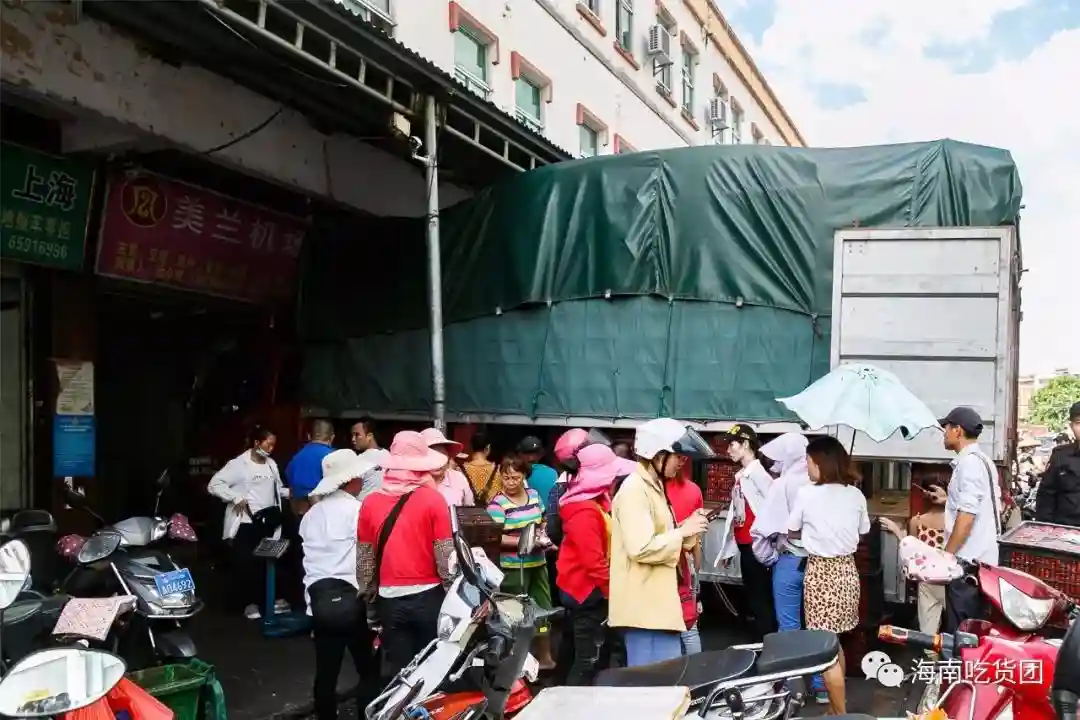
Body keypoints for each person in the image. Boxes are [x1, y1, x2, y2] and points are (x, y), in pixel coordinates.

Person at [609, 418, 711, 666]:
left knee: (666, 678)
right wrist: (682, 531)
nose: (682, 462)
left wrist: (688, 530)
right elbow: (641, 547)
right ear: (657, 455)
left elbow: (660, 535)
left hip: (658, 606)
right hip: (645, 609)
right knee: (652, 682)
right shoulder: (635, 490)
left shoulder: (653, 486)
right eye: (678, 456)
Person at [356, 431, 455, 681]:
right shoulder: (434, 500)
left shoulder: (370, 502)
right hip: (429, 598)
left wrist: (370, 605)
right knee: (430, 670)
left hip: (389, 600)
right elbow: (445, 558)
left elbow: (365, 561)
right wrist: (452, 594)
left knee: (399, 674)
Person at [787, 436, 869, 715]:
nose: (807, 467)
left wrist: (812, 532)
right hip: (847, 572)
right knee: (835, 644)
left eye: (809, 462)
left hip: (821, 572)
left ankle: (840, 714)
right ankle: (835, 710)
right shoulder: (855, 495)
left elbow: (792, 529)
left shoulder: (806, 494)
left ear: (821, 464)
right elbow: (863, 531)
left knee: (826, 649)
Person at [300, 450, 380, 720]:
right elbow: (367, 555)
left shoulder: (311, 515)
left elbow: (310, 561)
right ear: (350, 480)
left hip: (320, 602)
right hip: (352, 600)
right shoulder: (357, 511)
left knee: (326, 673)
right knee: (367, 669)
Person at [749, 432, 826, 703]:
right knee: (819, 626)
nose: (774, 465)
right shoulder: (826, 484)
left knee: (789, 628)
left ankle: (794, 689)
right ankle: (821, 686)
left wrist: (771, 558)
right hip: (821, 563)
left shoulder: (782, 485)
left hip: (789, 562)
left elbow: (761, 532)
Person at [556, 444, 635, 684]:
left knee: (583, 655)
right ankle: (568, 702)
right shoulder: (584, 511)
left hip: (584, 589)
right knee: (587, 661)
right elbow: (593, 562)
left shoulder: (592, 503)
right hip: (586, 592)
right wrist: (614, 594)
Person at [929, 406, 1004, 632]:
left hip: (967, 564)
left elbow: (967, 518)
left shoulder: (968, 464)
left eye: (946, 428)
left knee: (962, 634)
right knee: (973, 631)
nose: (944, 433)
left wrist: (947, 556)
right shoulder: (983, 460)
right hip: (982, 562)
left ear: (958, 430)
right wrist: (947, 500)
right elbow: (983, 504)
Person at [207, 426, 291, 620]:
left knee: (267, 563)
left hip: (268, 521)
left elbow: (277, 489)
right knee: (246, 565)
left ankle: (268, 600)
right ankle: (248, 605)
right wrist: (235, 497)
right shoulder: (238, 465)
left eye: (273, 445)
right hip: (246, 522)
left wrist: (292, 493)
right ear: (256, 443)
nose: (271, 449)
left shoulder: (271, 464)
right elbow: (214, 484)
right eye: (268, 444)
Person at [487, 455, 556, 670]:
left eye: (515, 478)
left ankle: (545, 658)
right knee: (516, 614)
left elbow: (543, 521)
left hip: (537, 564)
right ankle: (517, 664)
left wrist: (542, 537)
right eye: (506, 478)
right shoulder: (497, 504)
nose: (510, 482)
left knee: (542, 610)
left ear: (524, 476)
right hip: (512, 568)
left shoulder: (533, 495)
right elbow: (494, 537)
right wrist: (524, 542)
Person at [717, 424, 777, 639]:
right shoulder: (742, 475)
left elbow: (774, 506)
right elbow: (738, 516)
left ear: (745, 444)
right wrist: (729, 549)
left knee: (760, 600)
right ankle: (761, 643)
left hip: (756, 547)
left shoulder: (757, 473)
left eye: (732, 444)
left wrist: (770, 541)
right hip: (746, 546)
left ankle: (766, 644)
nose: (728, 450)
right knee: (754, 598)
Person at [664, 454, 705, 656]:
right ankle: (697, 671)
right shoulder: (694, 490)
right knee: (689, 626)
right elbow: (697, 540)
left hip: (665, 561)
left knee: (668, 629)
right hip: (687, 562)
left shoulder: (654, 491)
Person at [1035, 401, 1080, 527]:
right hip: (1064, 531)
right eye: (1079, 423)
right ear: (1071, 426)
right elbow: (1046, 497)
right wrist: (1046, 530)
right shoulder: (1060, 456)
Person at [285, 419, 336, 514]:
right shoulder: (334, 457)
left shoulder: (295, 458)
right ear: (332, 438)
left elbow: (291, 489)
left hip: (299, 512)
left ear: (309, 436)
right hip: (324, 513)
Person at [421, 428, 475, 508]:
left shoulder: (458, 478)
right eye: (431, 455)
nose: (437, 461)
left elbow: (470, 509)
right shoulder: (411, 482)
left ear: (448, 457)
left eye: (441, 455)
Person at [462, 428, 502, 504]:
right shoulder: (498, 470)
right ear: (488, 447)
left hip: (468, 511)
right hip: (493, 510)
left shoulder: (460, 470)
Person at [518, 436, 559, 509]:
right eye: (527, 453)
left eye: (535, 453)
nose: (531, 457)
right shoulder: (553, 472)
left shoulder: (551, 472)